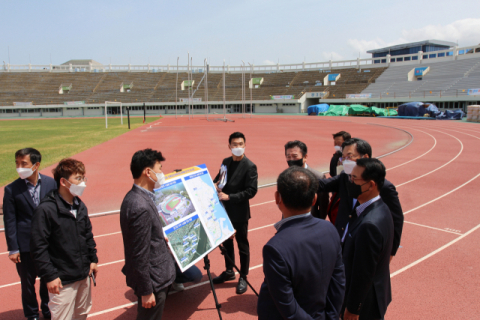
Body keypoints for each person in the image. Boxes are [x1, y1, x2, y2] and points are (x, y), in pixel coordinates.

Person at [257, 166, 345, 320]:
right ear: (314, 199)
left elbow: (288, 306)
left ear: (277, 198)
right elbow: (338, 280)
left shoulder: (275, 247)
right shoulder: (330, 229)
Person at [30, 158, 98, 320]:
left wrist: (93, 259)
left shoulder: (80, 206)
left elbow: (87, 235)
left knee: (81, 314)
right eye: (78, 178)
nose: (83, 183)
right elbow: (38, 247)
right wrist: (50, 276)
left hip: (83, 275)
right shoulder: (46, 210)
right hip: (62, 280)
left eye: (83, 178)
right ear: (63, 181)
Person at [317, 138, 403, 260]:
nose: (345, 161)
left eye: (350, 156)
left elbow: (397, 219)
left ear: (365, 157)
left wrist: (391, 253)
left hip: (362, 248)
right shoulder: (345, 177)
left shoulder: (383, 187)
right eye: (343, 157)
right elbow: (321, 185)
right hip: (341, 244)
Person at [120, 149, 176, 319]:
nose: (161, 173)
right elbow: (139, 253)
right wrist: (146, 291)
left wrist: (159, 236)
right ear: (147, 172)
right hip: (153, 281)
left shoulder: (139, 197)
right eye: (159, 169)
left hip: (155, 275)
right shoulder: (140, 206)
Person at [3, 148, 56, 320]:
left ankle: (47, 310)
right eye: (17, 163)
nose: (19, 167)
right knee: (27, 284)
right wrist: (13, 248)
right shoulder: (11, 190)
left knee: (47, 279)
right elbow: (10, 220)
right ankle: (32, 314)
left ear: (36, 165)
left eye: (23, 163)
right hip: (24, 246)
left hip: (48, 243)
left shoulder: (51, 184)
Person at [342, 158, 393, 320]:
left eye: (354, 179)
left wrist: (353, 309)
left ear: (371, 185)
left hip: (365, 304)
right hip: (376, 294)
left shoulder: (369, 225)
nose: (350, 182)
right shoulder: (381, 208)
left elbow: (362, 272)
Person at [212, 132, 258, 294]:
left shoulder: (250, 166)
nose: (237, 147)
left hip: (239, 212)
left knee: (242, 244)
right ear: (229, 146)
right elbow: (218, 179)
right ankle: (229, 270)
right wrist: (213, 184)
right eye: (234, 144)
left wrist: (230, 196)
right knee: (227, 242)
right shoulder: (226, 162)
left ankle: (243, 275)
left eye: (240, 144)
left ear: (245, 145)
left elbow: (251, 191)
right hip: (224, 211)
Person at [284, 140, 329, 219]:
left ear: (305, 157)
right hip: (289, 221)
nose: (291, 159)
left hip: (310, 222)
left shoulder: (318, 177)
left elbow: (323, 204)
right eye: (288, 156)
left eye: (295, 156)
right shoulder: (285, 176)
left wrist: (319, 222)